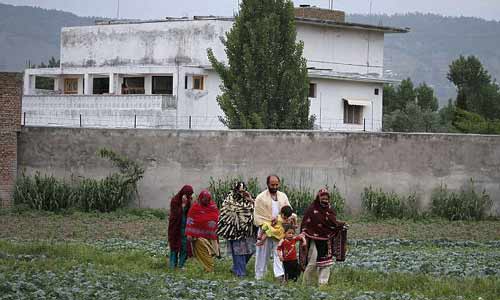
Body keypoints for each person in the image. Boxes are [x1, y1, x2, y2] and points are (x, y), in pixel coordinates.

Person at [300, 188, 348, 287]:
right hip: (314, 240)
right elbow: (306, 224)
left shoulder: (330, 210)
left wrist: (341, 225)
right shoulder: (312, 209)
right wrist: (304, 233)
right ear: (318, 197)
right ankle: (306, 284)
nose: (325, 200)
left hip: (327, 240)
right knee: (312, 263)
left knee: (326, 264)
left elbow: (332, 223)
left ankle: (323, 285)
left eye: (326, 198)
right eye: (322, 197)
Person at [254, 175, 291, 280]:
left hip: (279, 230)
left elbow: (289, 211)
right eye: (272, 185)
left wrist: (282, 220)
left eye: (276, 184)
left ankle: (279, 275)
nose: (275, 187)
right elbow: (258, 216)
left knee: (278, 252)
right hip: (265, 228)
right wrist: (269, 224)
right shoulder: (260, 198)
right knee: (262, 254)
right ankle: (259, 277)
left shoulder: (283, 196)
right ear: (268, 184)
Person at [217, 181, 256, 277]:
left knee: (250, 251)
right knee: (238, 252)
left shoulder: (249, 201)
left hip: (248, 233)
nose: (241, 194)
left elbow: (257, 211)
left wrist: (251, 200)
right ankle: (240, 273)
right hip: (233, 233)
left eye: (243, 191)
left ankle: (236, 268)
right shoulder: (229, 201)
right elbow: (225, 215)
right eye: (240, 191)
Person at [186, 190, 220, 272]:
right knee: (203, 251)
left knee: (210, 251)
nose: (206, 201)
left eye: (208, 199)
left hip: (211, 235)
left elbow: (217, 218)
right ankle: (208, 268)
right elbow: (190, 220)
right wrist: (189, 233)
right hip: (198, 236)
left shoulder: (213, 207)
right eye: (204, 199)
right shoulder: (195, 207)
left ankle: (209, 268)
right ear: (200, 198)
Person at [167, 185, 194, 269]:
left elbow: (190, 214)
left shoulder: (189, 202)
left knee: (185, 247)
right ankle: (172, 266)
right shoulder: (175, 201)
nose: (188, 197)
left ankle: (181, 265)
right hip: (175, 228)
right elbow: (175, 215)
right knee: (174, 247)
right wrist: (182, 206)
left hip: (185, 228)